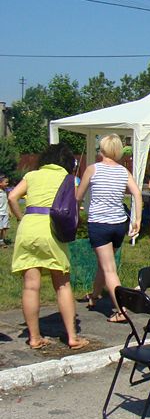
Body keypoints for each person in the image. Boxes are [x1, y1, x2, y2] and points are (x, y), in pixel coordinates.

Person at [8, 144, 89, 350]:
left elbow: (12, 197)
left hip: (28, 228)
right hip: (52, 230)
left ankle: (34, 337)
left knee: (30, 286)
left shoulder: (32, 175)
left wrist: (20, 217)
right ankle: (72, 337)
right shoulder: (67, 179)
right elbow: (72, 207)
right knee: (62, 284)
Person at [77, 134, 143, 323]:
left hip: (99, 223)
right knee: (105, 263)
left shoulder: (93, 169)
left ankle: (121, 310)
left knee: (109, 269)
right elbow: (137, 193)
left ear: (102, 150)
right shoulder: (123, 171)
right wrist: (137, 219)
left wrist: (76, 215)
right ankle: (95, 295)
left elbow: (78, 196)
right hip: (118, 224)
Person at [0, 175, 9, 248]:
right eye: (6, 182)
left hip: (5, 213)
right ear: (0, 183)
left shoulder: (6, 191)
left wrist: (10, 211)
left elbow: (7, 202)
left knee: (5, 228)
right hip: (0, 213)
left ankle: (2, 240)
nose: (7, 184)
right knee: (0, 228)